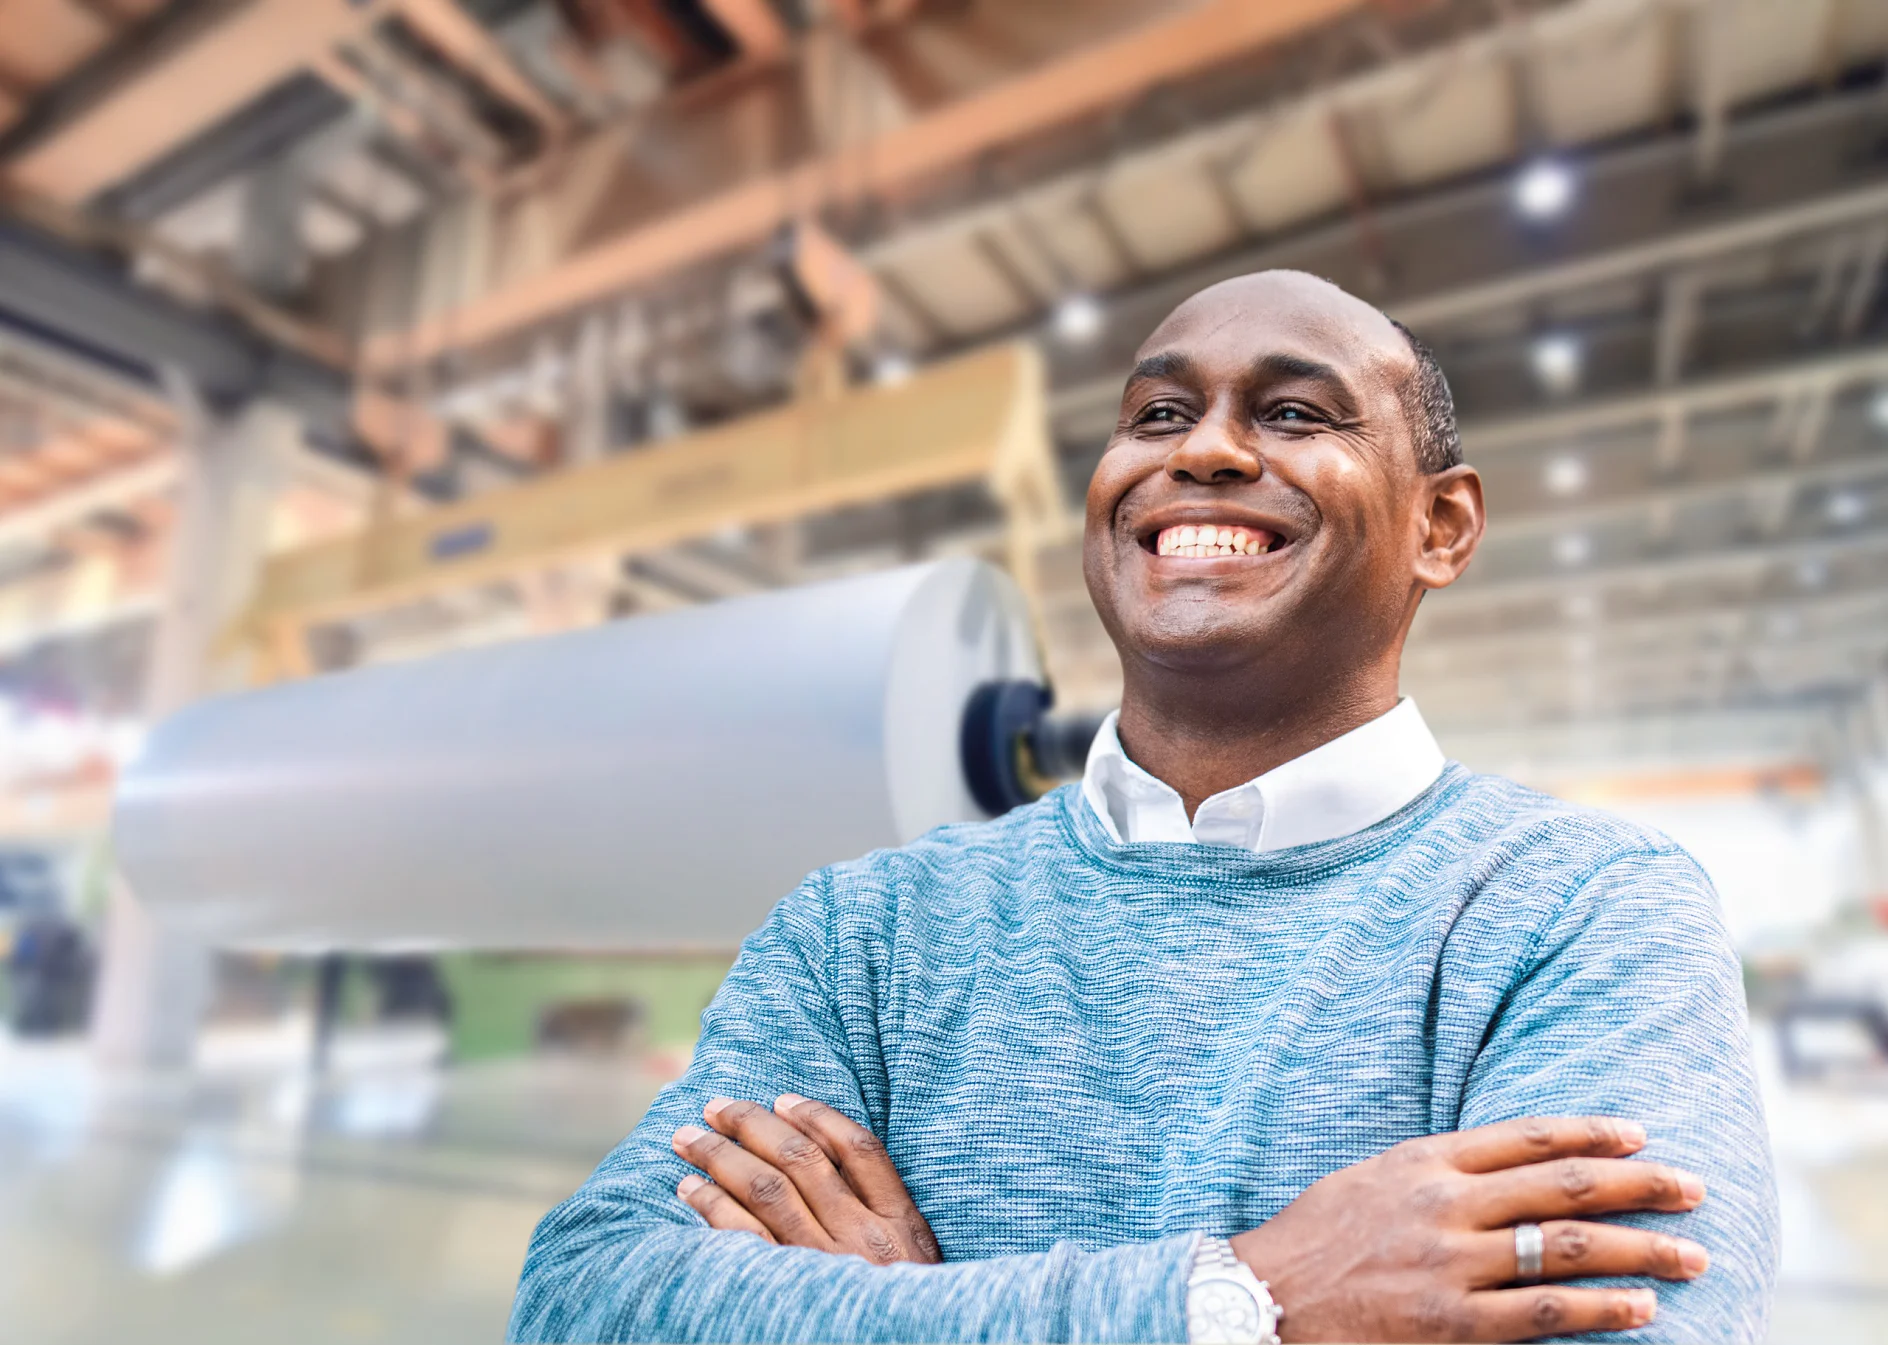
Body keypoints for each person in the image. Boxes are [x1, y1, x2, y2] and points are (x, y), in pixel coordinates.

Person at [509, 271, 1777, 1343]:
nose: (1203, 449)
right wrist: (1241, 1298)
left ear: (1440, 525)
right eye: (1157, 411)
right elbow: (589, 1295)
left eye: (1291, 411)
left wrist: (904, 1310)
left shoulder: (1582, 909)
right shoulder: (867, 932)